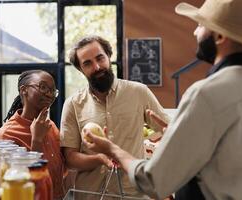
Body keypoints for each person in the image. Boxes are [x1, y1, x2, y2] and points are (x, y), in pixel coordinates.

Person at [83, 0, 242, 199]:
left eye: (200, 25)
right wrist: (178, 134)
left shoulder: (205, 94)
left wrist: (112, 149)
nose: (195, 32)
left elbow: (154, 181)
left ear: (219, 36)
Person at [60, 35, 169, 199]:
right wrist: (99, 158)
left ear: (109, 57)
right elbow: (70, 158)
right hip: (90, 195)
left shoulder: (138, 92)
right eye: (87, 63)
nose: (97, 67)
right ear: (80, 69)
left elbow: (167, 129)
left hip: (133, 194)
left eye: (100, 58)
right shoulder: (73, 104)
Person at [0, 70, 67, 200]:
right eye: (43, 87)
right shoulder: (6, 134)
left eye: (53, 90)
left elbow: (61, 167)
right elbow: (13, 184)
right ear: (24, 90)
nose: (49, 94)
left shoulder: (51, 125)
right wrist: (37, 140)